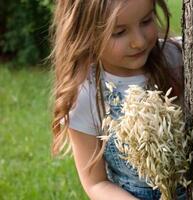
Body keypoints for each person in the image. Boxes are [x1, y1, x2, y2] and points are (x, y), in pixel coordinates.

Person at [50, 0, 185, 199]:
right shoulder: (86, 95)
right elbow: (96, 182)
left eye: (146, 21)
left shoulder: (175, 58)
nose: (138, 41)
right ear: (86, 34)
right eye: (119, 32)